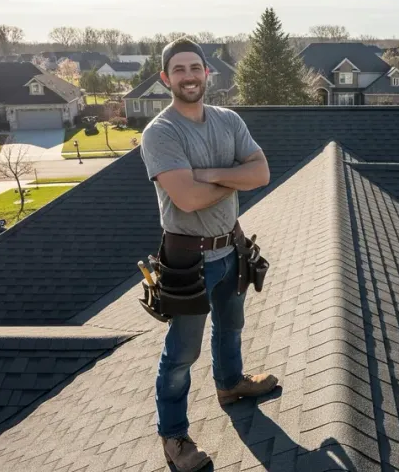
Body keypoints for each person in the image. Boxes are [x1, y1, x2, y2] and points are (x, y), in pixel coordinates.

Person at [139, 38, 277, 472]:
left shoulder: (228, 120)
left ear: (207, 73)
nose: (189, 76)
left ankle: (230, 384)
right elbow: (188, 200)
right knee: (182, 354)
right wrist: (235, 178)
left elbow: (262, 172)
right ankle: (174, 437)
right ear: (166, 78)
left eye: (195, 68)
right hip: (187, 258)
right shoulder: (160, 132)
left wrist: (210, 174)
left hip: (231, 247)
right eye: (179, 69)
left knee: (231, 326)